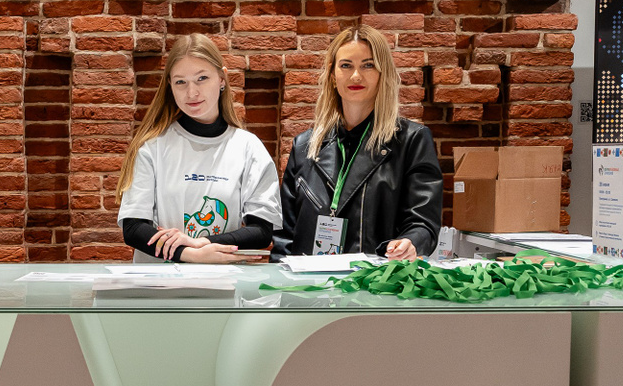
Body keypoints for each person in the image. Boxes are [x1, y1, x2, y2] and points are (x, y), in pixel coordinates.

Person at [272, 25, 441, 259]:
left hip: (375, 278)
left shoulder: (411, 140)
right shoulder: (304, 146)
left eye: (368, 65)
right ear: (333, 76)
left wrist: (410, 243)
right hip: (310, 280)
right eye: (346, 65)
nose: (356, 76)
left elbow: (423, 223)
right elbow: (284, 237)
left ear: (382, 73)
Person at [116, 33, 281, 264]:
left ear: (222, 79)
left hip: (223, 282)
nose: (191, 92)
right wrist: (191, 254)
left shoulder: (248, 147)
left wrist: (203, 242)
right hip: (159, 283)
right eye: (180, 82)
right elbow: (134, 229)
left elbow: (261, 230)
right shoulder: (152, 147)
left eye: (202, 78)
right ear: (170, 86)